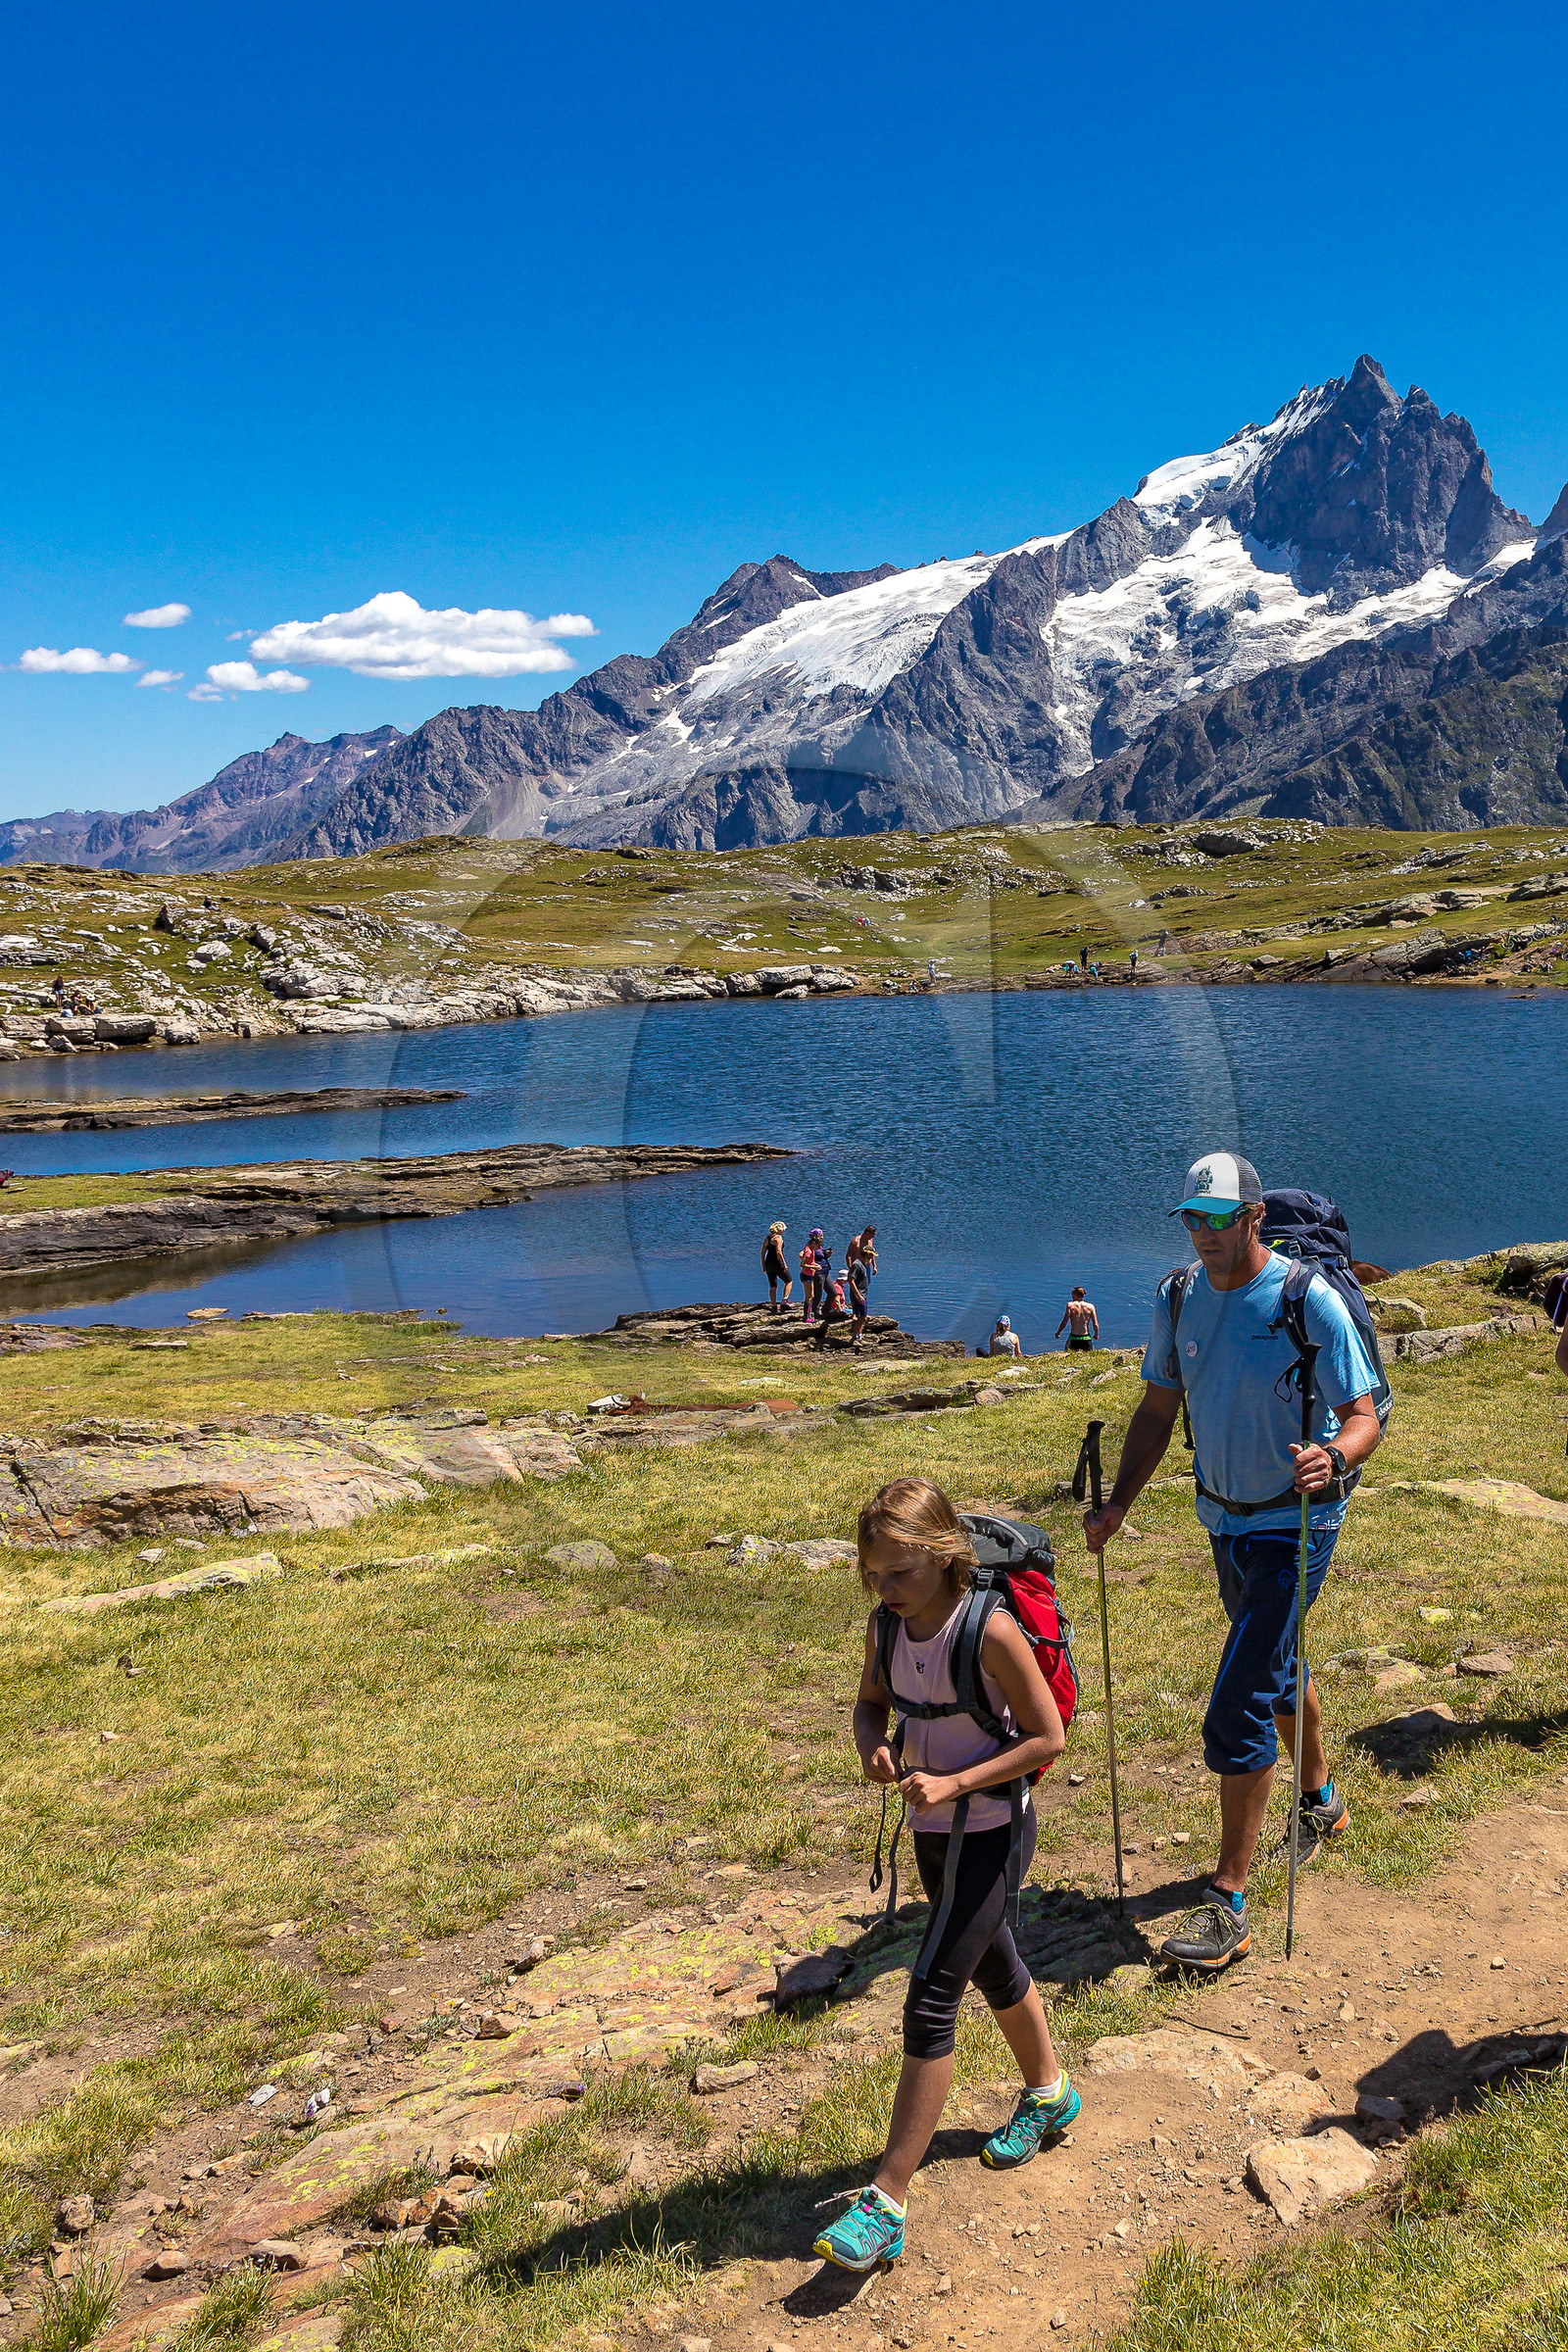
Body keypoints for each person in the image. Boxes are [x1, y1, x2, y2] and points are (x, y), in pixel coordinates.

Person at [1082, 1152, 1383, 1973]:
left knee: (1238, 1701)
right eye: (1192, 1218)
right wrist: (1118, 1503)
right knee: (1277, 1664)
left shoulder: (1304, 1297)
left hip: (1297, 1523)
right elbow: (1156, 1406)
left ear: (1253, 1218)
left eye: (1218, 1219)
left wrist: (1338, 1458)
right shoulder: (1177, 1295)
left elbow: (1363, 1416)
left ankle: (1229, 1904)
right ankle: (1320, 1797)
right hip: (1222, 1515)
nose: (1204, 1234)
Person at [813, 1479, 1075, 2273]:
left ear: (943, 1556)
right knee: (992, 1961)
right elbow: (867, 1706)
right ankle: (1051, 2093)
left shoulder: (991, 1631)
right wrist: (871, 1747)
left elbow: (1047, 1736)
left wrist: (958, 1784)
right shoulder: (884, 1628)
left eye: (899, 1574)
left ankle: (887, 2200)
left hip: (994, 1830)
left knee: (932, 1993)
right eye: (872, 1576)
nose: (885, 1592)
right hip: (931, 1832)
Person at [814, 1264, 853, 1349]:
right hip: (832, 1310)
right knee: (855, 1312)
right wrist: (841, 1311)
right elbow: (837, 1300)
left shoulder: (835, 1284)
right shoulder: (837, 1287)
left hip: (832, 1308)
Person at [761, 1220, 792, 1312]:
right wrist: (784, 1264)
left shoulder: (768, 1238)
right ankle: (784, 1300)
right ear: (780, 1229)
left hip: (768, 1263)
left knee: (773, 1286)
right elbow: (779, 1251)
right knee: (789, 1281)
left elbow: (763, 1252)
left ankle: (774, 1307)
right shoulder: (778, 1238)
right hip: (777, 1263)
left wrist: (763, 1265)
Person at [848, 1252, 872, 1346]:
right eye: (871, 1255)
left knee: (863, 1317)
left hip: (863, 1295)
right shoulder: (856, 1265)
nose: (872, 1258)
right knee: (860, 1317)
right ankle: (854, 1338)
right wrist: (858, 1295)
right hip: (858, 1295)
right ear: (867, 1255)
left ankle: (859, 1337)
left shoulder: (863, 1264)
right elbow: (851, 1280)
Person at [800, 1229, 824, 1323]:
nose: (818, 1247)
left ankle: (809, 1315)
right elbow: (802, 1265)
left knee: (812, 1296)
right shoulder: (808, 1251)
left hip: (810, 1275)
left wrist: (815, 1265)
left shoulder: (811, 1249)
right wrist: (813, 1267)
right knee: (808, 1297)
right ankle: (806, 1316)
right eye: (817, 1245)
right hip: (806, 1275)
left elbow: (811, 1261)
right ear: (814, 1242)